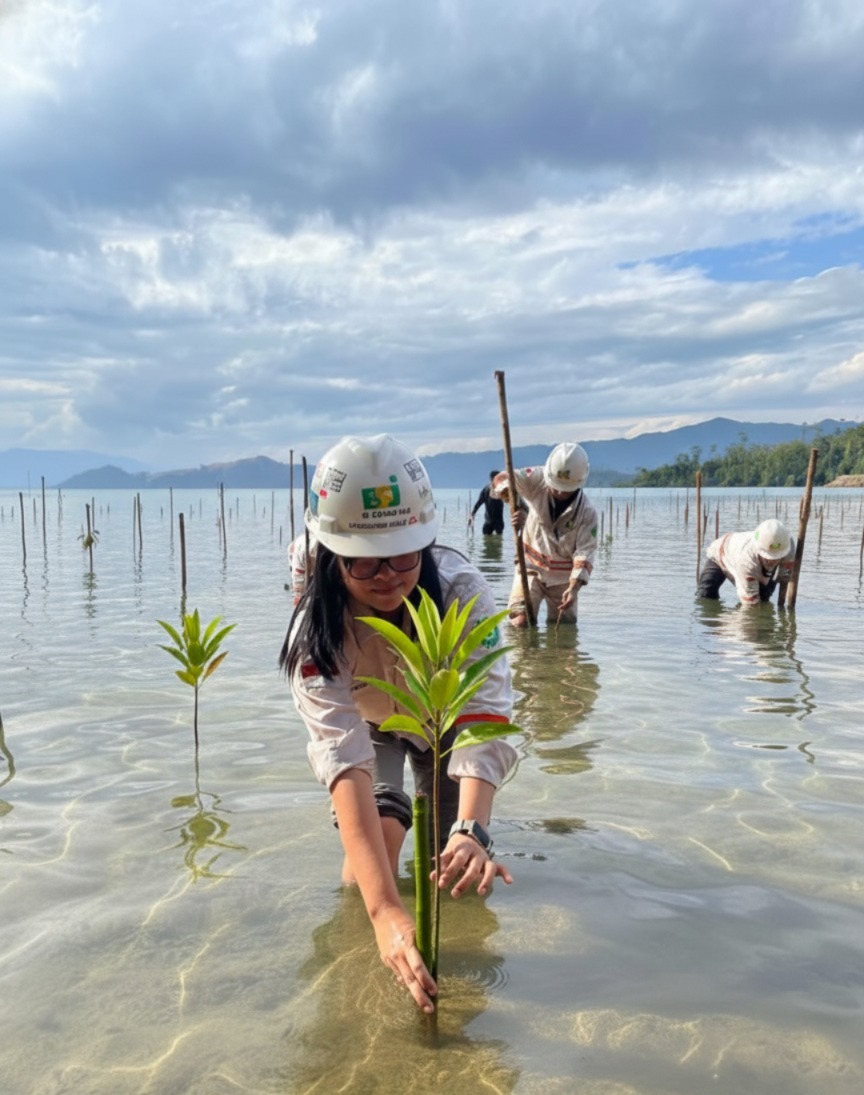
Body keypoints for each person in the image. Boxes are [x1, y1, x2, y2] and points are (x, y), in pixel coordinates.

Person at [279, 434, 517, 1014]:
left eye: (404, 555)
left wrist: (473, 830)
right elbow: (341, 754)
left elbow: (487, 710)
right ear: (331, 551)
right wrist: (384, 915)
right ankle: (361, 971)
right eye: (362, 559)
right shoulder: (314, 611)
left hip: (445, 724)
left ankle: (449, 988)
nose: (386, 576)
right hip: (371, 719)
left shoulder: (463, 590)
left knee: (452, 871)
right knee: (372, 860)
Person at [492, 442, 597, 628]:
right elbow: (502, 478)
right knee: (519, 621)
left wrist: (573, 588)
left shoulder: (587, 512)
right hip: (531, 566)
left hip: (564, 577)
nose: (557, 492)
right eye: (555, 486)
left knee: (564, 627)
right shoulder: (537, 478)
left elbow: (585, 551)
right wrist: (512, 499)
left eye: (564, 490)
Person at [698, 518, 795, 605]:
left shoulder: (787, 544)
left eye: (776, 557)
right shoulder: (745, 560)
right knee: (706, 594)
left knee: (764, 596)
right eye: (768, 557)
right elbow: (751, 605)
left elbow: (785, 574)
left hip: (751, 563)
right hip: (720, 555)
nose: (772, 561)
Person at [468, 470, 505, 535]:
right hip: (488, 521)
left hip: (498, 522)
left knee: (498, 540)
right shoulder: (486, 490)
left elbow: (512, 501)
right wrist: (472, 515)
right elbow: (478, 503)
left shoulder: (502, 489)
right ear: (492, 479)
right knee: (487, 539)